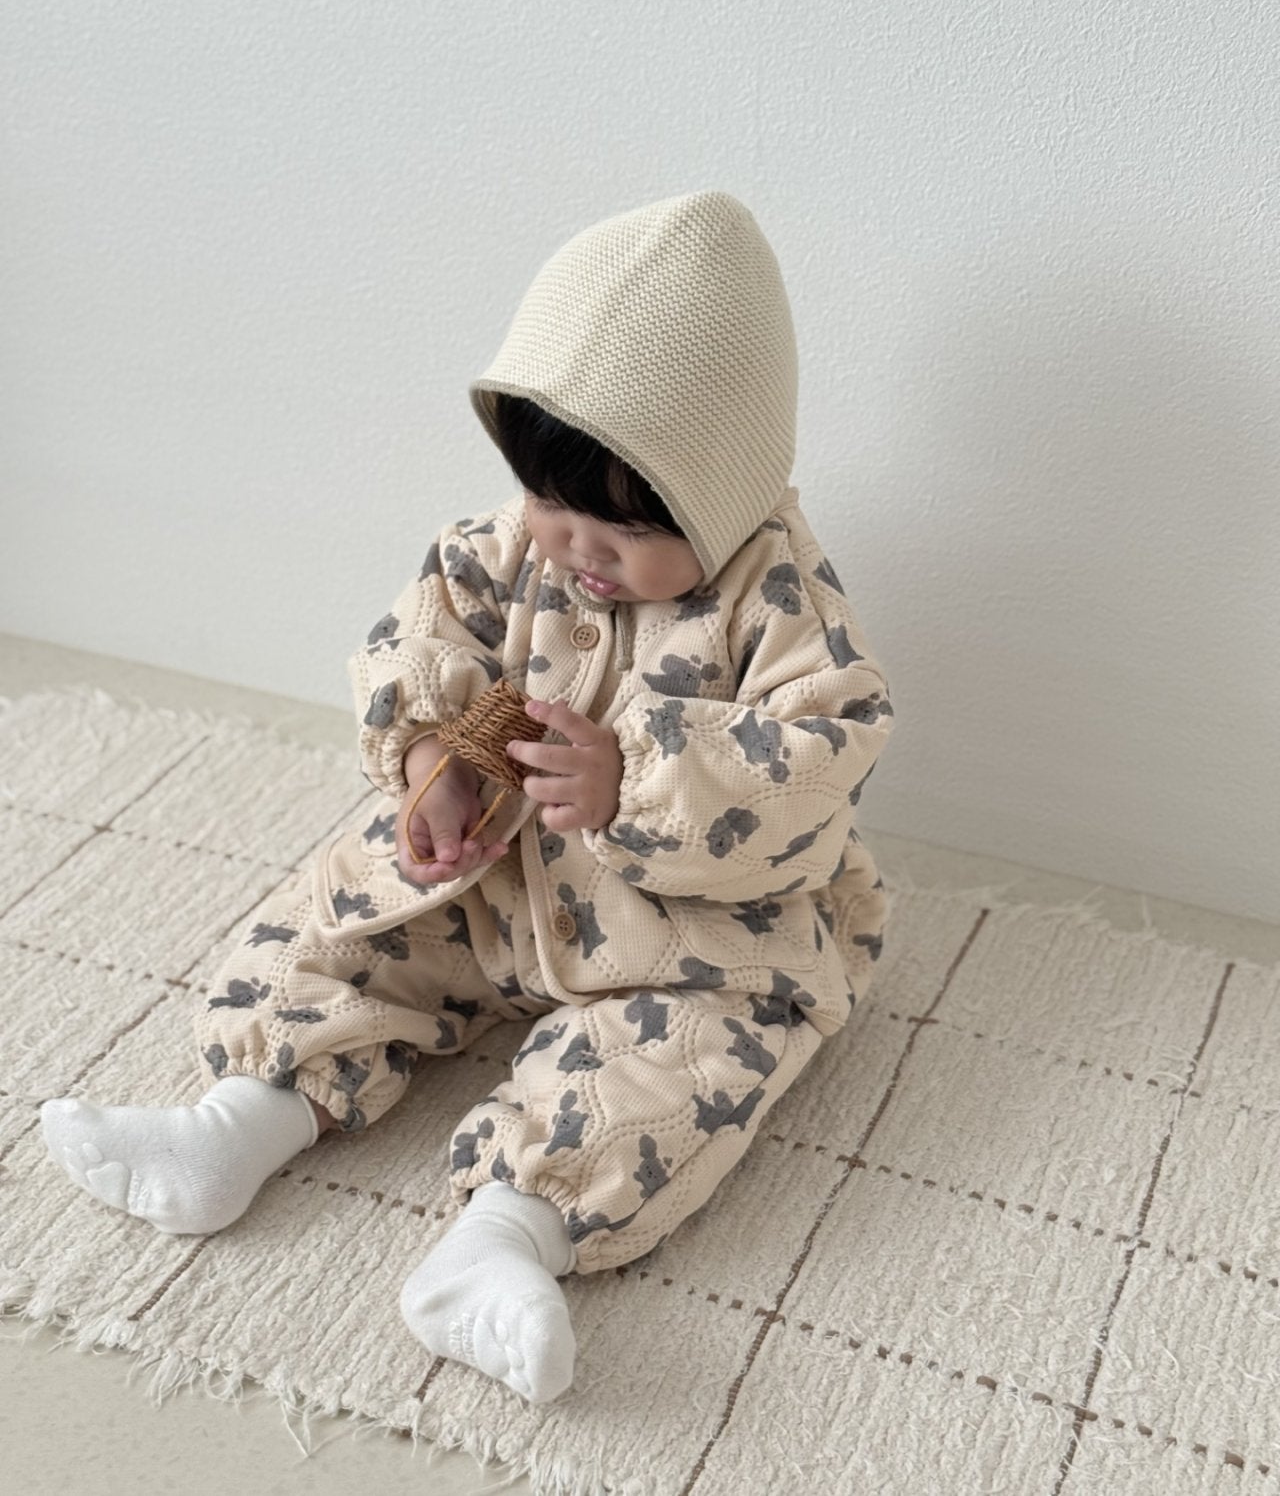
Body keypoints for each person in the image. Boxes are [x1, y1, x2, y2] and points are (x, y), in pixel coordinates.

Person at [40, 190, 895, 1404]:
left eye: (623, 525)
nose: (577, 548)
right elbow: (425, 640)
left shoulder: (779, 604)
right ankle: (238, 1121)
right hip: (490, 870)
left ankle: (503, 1242)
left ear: (722, 489)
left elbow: (822, 751)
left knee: (679, 1068)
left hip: (682, 930)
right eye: (551, 503)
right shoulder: (510, 547)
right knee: (339, 915)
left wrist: (636, 778)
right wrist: (430, 768)